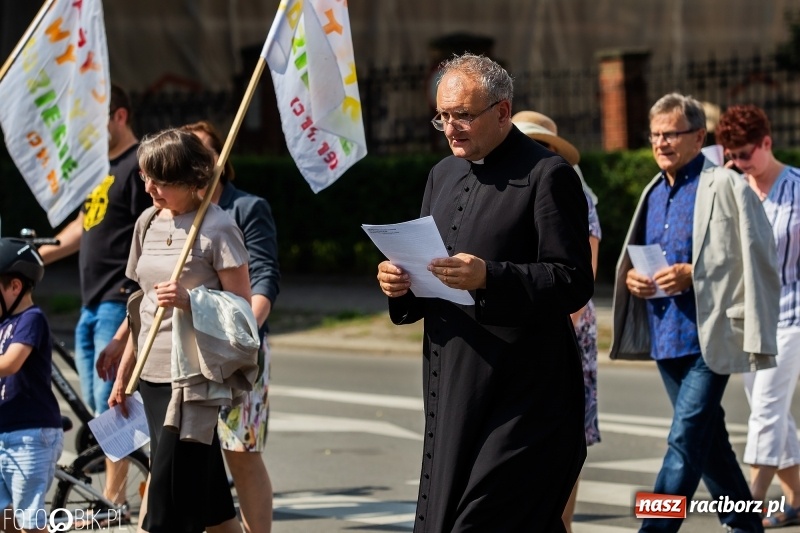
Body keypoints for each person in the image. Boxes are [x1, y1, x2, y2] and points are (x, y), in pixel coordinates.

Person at [376, 53, 594, 532]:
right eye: (443, 116)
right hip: (454, 381)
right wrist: (401, 284)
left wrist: (490, 276)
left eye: (463, 115)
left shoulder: (546, 175)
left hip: (523, 393)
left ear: (501, 111)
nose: (451, 128)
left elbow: (573, 280)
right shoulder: (442, 174)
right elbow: (431, 268)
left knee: (483, 518)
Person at [610, 92, 780, 533]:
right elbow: (639, 258)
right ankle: (746, 525)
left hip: (713, 335)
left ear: (698, 136)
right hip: (666, 334)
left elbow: (758, 256)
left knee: (684, 439)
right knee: (710, 443)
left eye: (672, 134)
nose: (662, 142)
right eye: (655, 135)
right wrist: (633, 280)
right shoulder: (653, 190)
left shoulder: (725, 184)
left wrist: (694, 274)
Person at [108, 128, 253, 533]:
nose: (150, 188)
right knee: (207, 497)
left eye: (161, 181)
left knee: (168, 496)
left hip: (193, 377)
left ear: (193, 181)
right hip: (150, 376)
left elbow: (243, 312)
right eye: (144, 177)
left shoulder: (218, 227)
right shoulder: (147, 222)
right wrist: (124, 372)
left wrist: (193, 301)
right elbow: (142, 306)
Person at [36, 83, 147, 508]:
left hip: (117, 299)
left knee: (114, 404)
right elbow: (83, 228)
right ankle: (116, 492)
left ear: (120, 116)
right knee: (99, 408)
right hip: (90, 302)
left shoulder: (139, 164)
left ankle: (114, 499)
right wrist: (36, 256)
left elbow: (150, 226)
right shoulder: (102, 168)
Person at [182, 119, 280, 533]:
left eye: (204, 153)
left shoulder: (246, 208)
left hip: (240, 352)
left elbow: (264, 278)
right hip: (189, 353)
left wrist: (242, 334)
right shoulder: (178, 214)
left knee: (240, 450)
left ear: (221, 161)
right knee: (192, 453)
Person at [511, 110, 601, 533]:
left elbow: (580, 282)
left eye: (543, 145)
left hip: (563, 327)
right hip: (527, 325)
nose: (535, 152)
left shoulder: (570, 189)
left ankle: (561, 523)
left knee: (565, 439)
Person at [716, 104, 800, 528]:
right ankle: (798, 500)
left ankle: (745, 510)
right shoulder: (735, 187)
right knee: (774, 411)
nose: (738, 162)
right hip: (749, 321)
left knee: (765, 410)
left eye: (745, 153)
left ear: (767, 143)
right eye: (731, 155)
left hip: (792, 317)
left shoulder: (798, 190)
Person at [0, 238, 63, 533]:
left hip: (30, 435)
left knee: (29, 523)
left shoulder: (31, 319)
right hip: (4, 433)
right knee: (5, 518)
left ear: (15, 287)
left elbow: (11, 363)